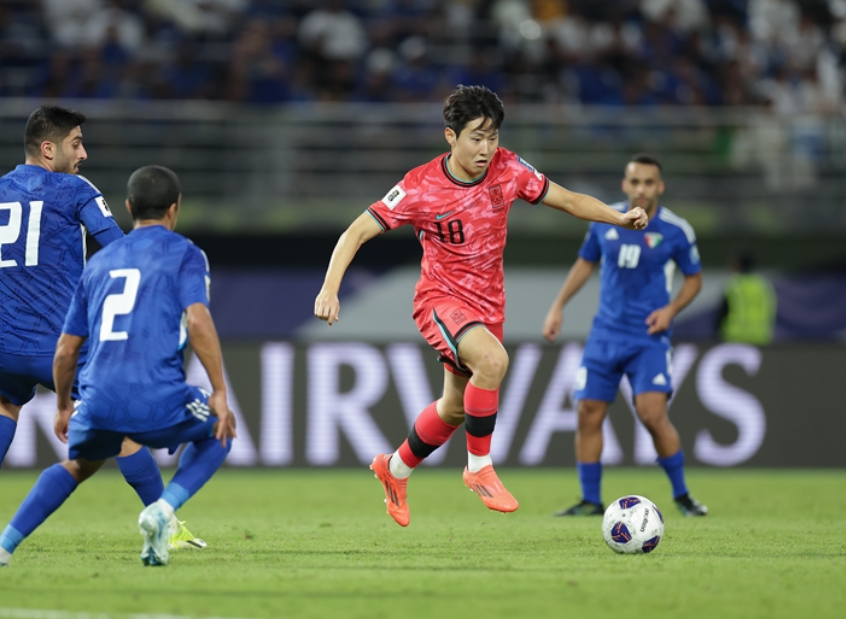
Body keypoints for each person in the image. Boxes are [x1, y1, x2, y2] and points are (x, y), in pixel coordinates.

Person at [314, 85, 649, 527]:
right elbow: (355, 232)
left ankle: (394, 469)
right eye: (476, 137)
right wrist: (329, 288)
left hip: (488, 308)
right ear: (450, 137)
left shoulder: (509, 169)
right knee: (493, 361)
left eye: (493, 137)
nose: (486, 148)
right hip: (440, 300)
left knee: (455, 408)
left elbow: (567, 199)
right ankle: (478, 469)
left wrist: (618, 216)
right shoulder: (419, 186)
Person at [0, 165, 236, 567]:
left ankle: (5, 545)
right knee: (221, 429)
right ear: (175, 209)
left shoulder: (97, 265)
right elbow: (197, 322)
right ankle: (163, 511)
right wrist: (218, 391)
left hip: (95, 397)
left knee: (77, 465)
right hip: (157, 394)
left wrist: (62, 406)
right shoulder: (185, 253)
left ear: (128, 207)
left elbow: (65, 350)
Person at [542, 153, 708, 518]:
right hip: (605, 333)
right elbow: (586, 263)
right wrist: (558, 305)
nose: (642, 189)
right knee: (587, 411)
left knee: (651, 414)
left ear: (659, 187)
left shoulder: (676, 230)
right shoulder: (604, 221)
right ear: (625, 184)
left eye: (649, 183)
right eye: (635, 182)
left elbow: (694, 278)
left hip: (647, 336)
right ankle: (590, 500)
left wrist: (670, 310)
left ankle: (682, 495)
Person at [716, 250, 777, 344]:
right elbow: (771, 311)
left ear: (737, 264)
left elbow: (722, 312)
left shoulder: (733, 285)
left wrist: (717, 333)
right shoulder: (764, 285)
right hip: (761, 338)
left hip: (735, 337)